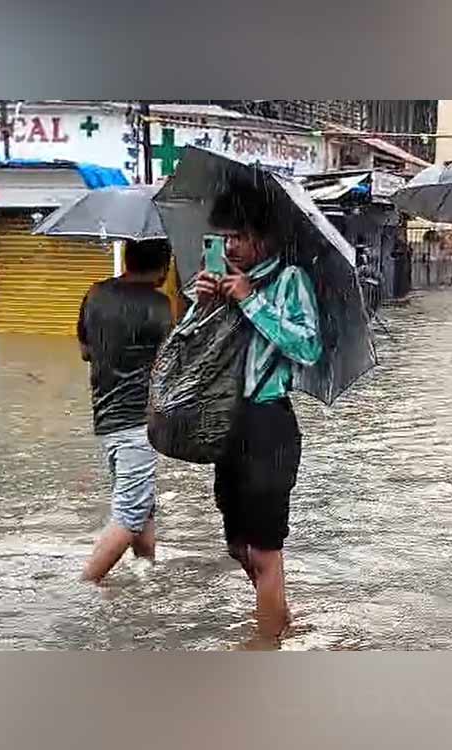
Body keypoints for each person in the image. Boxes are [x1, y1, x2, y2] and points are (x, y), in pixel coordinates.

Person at [191, 183, 323, 641]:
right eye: (226, 237)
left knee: (266, 550)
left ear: (264, 238)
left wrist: (251, 299)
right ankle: (279, 615)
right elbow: (193, 355)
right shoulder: (220, 281)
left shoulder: (291, 281)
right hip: (226, 424)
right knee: (236, 545)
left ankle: (267, 646)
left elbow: (308, 347)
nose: (231, 246)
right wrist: (202, 305)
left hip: (269, 424)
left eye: (241, 236)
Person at [77, 239, 174, 584]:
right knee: (130, 514)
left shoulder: (95, 294)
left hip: (105, 416)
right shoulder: (161, 307)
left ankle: (145, 573)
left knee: (142, 503)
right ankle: (86, 587)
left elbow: (86, 350)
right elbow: (170, 366)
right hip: (138, 422)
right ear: (163, 268)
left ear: (127, 259)